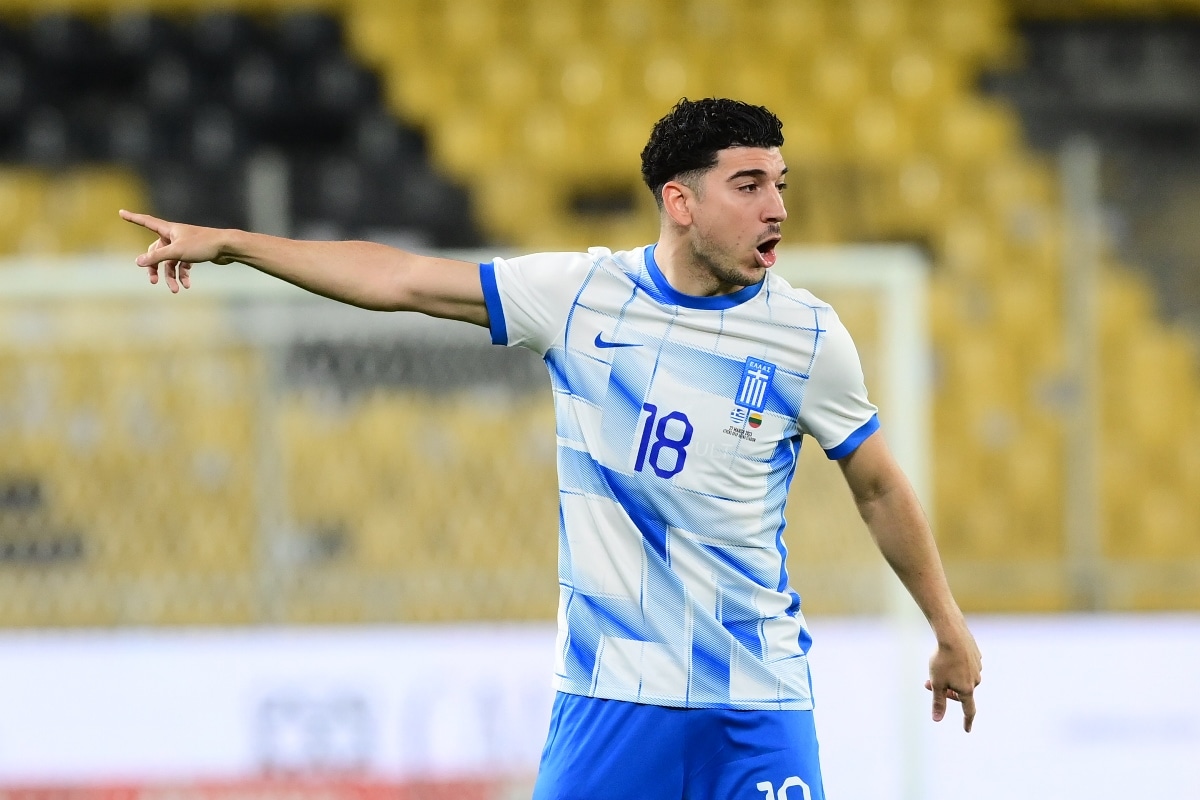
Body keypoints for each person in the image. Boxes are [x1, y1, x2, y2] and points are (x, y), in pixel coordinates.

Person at [122, 97, 981, 800]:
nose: (777, 208)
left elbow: (877, 486)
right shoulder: (578, 296)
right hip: (611, 702)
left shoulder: (807, 336)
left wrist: (946, 626)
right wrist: (234, 244)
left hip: (757, 701)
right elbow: (400, 278)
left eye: (779, 186)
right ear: (680, 202)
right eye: (749, 185)